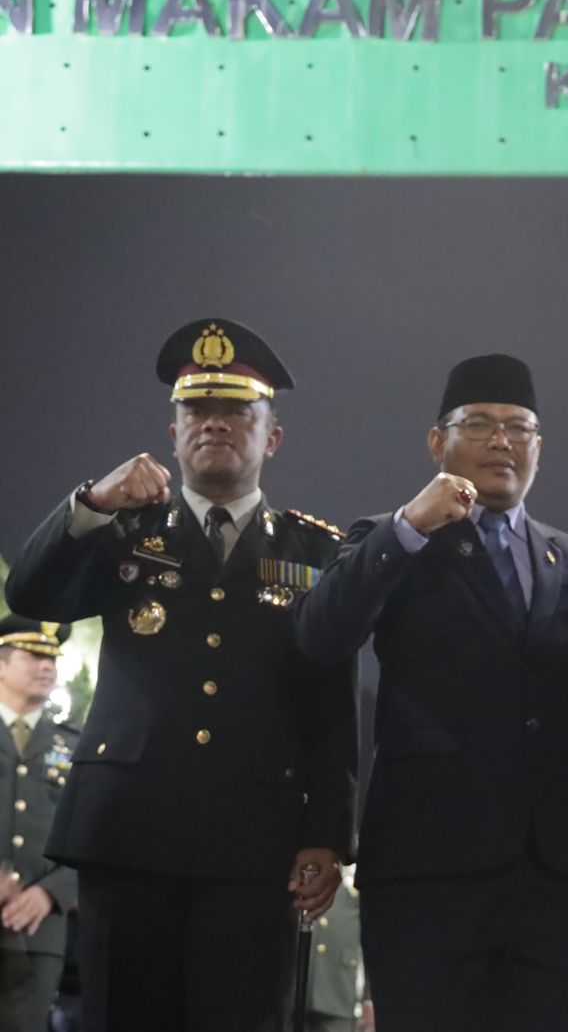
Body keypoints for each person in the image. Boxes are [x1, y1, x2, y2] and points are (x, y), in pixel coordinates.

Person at [4, 318, 358, 1032]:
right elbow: (33, 595)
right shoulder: (125, 530)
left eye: (238, 411)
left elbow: (330, 703)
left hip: (256, 842)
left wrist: (328, 834)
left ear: (272, 437)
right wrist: (93, 502)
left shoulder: (314, 553)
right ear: (173, 434)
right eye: (197, 410)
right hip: (127, 833)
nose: (215, 423)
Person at [293, 353, 568, 1032]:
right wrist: (410, 525)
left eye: (519, 428)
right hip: (428, 870)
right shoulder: (392, 539)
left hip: (555, 875)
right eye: (480, 424)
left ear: (539, 448)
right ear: (438, 442)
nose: (501, 441)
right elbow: (322, 635)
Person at [0, 617, 77, 1032]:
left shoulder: (77, 746)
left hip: (39, 930)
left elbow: (93, 835)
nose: (47, 666)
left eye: (52, 658)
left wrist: (52, 892)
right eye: (33, 655)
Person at [302, 866, 370, 1032]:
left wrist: (369, 997)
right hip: (299, 984)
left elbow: (374, 936)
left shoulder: (359, 870)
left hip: (340, 987)